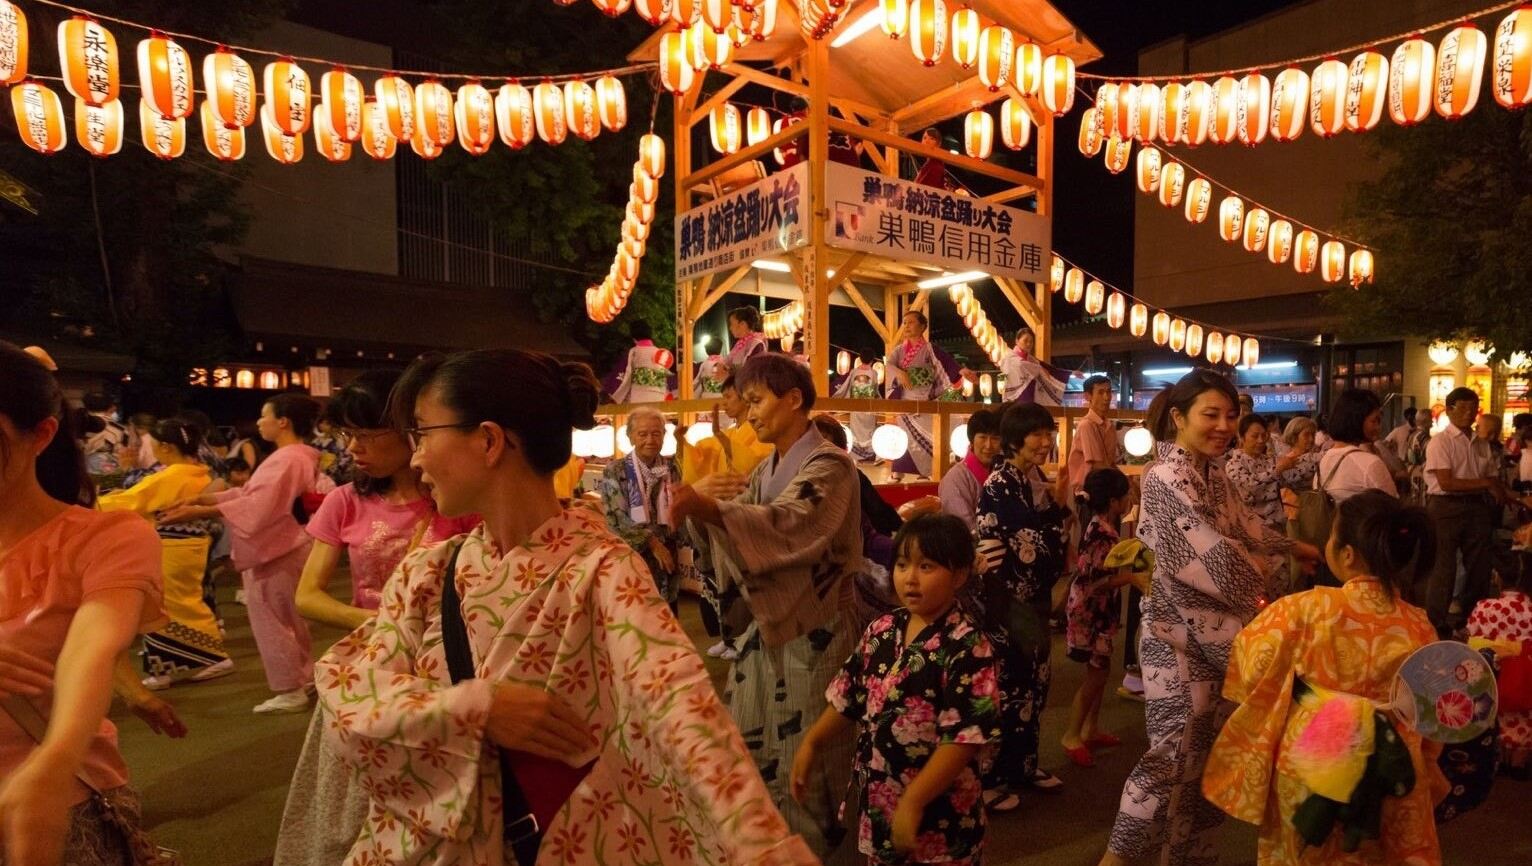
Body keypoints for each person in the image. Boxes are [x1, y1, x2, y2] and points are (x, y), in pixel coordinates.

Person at [314, 348, 815, 866]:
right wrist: (472, 709)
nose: (414, 457)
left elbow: (682, 705)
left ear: (488, 440)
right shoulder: (427, 573)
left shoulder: (603, 570)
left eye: (422, 433)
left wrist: (766, 847)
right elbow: (343, 690)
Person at [1100, 370, 1319, 866]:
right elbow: (1217, 559)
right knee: (1169, 759)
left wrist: (1292, 546)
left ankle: (1183, 858)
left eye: (1230, 415)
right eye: (1210, 415)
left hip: (1219, 637)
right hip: (1175, 638)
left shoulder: (1213, 470)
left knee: (1206, 762)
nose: (1223, 425)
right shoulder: (1166, 476)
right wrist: (1271, 589)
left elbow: (1246, 526)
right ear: (1178, 418)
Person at [277, 370, 477, 866]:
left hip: (440, 674)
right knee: (354, 806)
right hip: (367, 672)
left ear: (409, 430)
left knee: (431, 803)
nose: (355, 448)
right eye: (348, 436)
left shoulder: (458, 501)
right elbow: (308, 596)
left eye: (367, 434)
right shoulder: (346, 501)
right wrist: (387, 625)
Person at [672, 352, 862, 860]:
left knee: (813, 755)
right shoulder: (765, 471)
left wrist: (710, 507)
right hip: (769, 628)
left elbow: (791, 524)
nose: (748, 413)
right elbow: (740, 530)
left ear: (794, 399)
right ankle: (773, 847)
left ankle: (820, 848)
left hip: (817, 629)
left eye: (756, 400)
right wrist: (704, 511)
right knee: (758, 745)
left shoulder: (832, 465)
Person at [0, 343, 178, 866]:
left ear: (42, 435)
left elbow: (92, 647)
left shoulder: (105, 537)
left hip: (49, 804)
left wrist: (54, 762)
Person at [1204, 492, 1445, 865]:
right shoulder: (1419, 625)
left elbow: (1250, 669)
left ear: (1346, 554)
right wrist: (1425, 761)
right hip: (1391, 760)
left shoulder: (1303, 609)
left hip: (1314, 754)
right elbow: (1430, 712)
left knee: (1304, 852)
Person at [791, 513, 1001, 866]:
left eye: (927, 566)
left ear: (960, 575)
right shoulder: (883, 629)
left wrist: (915, 800)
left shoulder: (969, 646)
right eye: (903, 565)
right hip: (883, 798)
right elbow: (849, 694)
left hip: (942, 811)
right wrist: (813, 742)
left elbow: (965, 738)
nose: (910, 578)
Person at [160, 393, 322, 714]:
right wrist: (205, 502)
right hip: (287, 543)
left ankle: (290, 688)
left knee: (273, 622)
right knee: (289, 619)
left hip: (276, 547)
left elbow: (259, 506)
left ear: (283, 422)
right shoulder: (298, 456)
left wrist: (198, 512)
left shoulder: (287, 458)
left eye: (264, 415)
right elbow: (253, 496)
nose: (260, 421)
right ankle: (302, 679)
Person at [975, 402, 1073, 803]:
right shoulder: (1000, 484)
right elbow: (1033, 548)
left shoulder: (1028, 480)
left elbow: (1040, 538)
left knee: (1033, 686)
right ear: (1014, 439)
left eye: (1049, 434)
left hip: (1028, 602)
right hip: (1008, 605)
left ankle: (1022, 766)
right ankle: (991, 780)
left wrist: (1052, 521)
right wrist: (1055, 523)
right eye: (1037, 434)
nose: (1046, 441)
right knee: (1009, 689)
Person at [96, 417, 232, 688]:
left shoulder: (170, 475)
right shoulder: (198, 471)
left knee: (168, 605)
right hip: (189, 544)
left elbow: (129, 500)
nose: (152, 449)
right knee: (183, 601)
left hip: (173, 546)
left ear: (167, 447)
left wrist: (87, 501)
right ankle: (169, 667)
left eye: (154, 444)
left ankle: (205, 660)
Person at [1060, 467, 1138, 769]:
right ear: (1115, 500)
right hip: (1091, 611)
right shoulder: (1102, 533)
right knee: (1095, 672)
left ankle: (1090, 728)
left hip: (1099, 609)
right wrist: (1132, 577)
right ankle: (1071, 734)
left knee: (1101, 670)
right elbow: (1095, 580)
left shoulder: (1100, 525)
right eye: (1126, 495)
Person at [1421, 387, 1506, 637]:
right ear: (1449, 410)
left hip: (1477, 506)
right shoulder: (1440, 442)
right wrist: (1487, 485)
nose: (1469, 414)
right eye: (1464, 408)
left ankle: (1472, 618)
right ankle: (1436, 623)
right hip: (1445, 507)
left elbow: (1492, 478)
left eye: (1474, 408)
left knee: (1479, 566)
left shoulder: (1481, 444)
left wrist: (1513, 497)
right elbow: (1447, 482)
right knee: (1443, 568)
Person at [600, 406, 685, 605]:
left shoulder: (672, 467)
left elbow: (682, 508)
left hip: (668, 557)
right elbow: (615, 518)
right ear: (630, 437)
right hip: (632, 557)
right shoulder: (615, 470)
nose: (650, 440)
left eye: (656, 434)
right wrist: (652, 543)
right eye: (642, 434)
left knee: (668, 616)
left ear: (664, 436)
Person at [1467, 551, 1532, 779]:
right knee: (1523, 718)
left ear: (1497, 576)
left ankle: (1491, 755)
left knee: (1491, 712)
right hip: (1525, 682)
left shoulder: (1484, 608)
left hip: (1490, 679)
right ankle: (1517, 762)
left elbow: (1472, 640)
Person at [885, 311, 966, 479]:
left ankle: (926, 471)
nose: (906, 326)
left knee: (930, 437)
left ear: (922, 327)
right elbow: (889, 365)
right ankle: (898, 472)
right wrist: (900, 373)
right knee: (905, 439)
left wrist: (962, 371)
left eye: (911, 322)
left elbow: (947, 363)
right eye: (904, 322)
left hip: (925, 399)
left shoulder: (930, 349)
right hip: (905, 399)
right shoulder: (899, 350)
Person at [1225, 414, 1316, 532]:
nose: (1261, 440)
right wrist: (1277, 471)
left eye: (1264, 435)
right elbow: (1249, 489)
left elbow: (1291, 476)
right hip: (1251, 527)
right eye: (1255, 436)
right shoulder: (1233, 464)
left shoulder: (1269, 460)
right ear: (1242, 437)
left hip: (1278, 524)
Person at [1315, 388, 1398, 504]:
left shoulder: (1323, 460)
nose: (1379, 428)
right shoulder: (1369, 463)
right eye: (1374, 421)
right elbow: (1392, 506)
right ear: (1356, 420)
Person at [938, 407, 1001, 530]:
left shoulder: (1001, 472)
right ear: (972, 440)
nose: (988, 445)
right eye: (983, 437)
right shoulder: (955, 478)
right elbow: (966, 526)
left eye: (995, 438)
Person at [1067, 374, 1121, 495]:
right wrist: (1122, 483)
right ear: (1087, 396)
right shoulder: (1086, 425)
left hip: (1105, 488)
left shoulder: (1109, 426)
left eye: (1109, 392)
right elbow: (1097, 465)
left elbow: (1110, 463)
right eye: (1101, 392)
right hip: (1088, 493)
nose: (1106, 397)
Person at [999, 327, 1069, 406]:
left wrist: (1070, 373)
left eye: (1031, 342)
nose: (1029, 344)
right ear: (1017, 341)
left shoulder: (1032, 360)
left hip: (1032, 399)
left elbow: (1050, 369)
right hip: (1016, 400)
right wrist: (1037, 368)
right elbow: (1019, 367)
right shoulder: (1010, 359)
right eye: (1025, 341)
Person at [609, 320, 676, 404]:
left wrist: (616, 398)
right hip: (659, 396)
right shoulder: (660, 352)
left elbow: (627, 377)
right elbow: (666, 377)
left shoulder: (634, 352)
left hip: (639, 396)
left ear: (633, 337)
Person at [831, 355, 881, 463]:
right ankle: (872, 454)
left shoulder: (854, 372)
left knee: (855, 431)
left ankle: (854, 457)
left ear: (861, 359)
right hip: (869, 406)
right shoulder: (874, 373)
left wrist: (837, 398)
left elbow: (846, 386)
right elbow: (875, 389)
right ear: (872, 361)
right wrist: (880, 401)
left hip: (856, 405)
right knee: (869, 431)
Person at [79, 391, 133, 476]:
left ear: (85, 406)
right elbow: (125, 458)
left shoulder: (73, 426)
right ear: (112, 408)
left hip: (77, 476)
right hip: (110, 478)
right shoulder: (121, 430)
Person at [723, 305, 768, 379]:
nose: (730, 328)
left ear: (742, 324)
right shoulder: (740, 344)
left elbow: (751, 370)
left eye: (731, 324)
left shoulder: (756, 343)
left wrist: (728, 370)